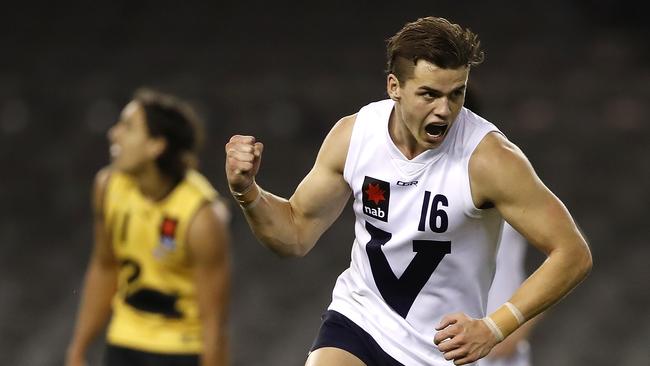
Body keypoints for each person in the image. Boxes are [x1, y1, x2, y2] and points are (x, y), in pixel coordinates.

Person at [225, 16, 592, 366]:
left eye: (456, 94)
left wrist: (495, 327)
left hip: (439, 352)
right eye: (429, 94)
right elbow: (293, 235)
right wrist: (248, 192)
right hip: (360, 321)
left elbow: (572, 253)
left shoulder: (490, 160)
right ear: (394, 87)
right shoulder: (355, 137)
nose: (444, 110)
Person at [66, 89, 230, 366]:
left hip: (180, 350)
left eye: (127, 127)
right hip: (124, 342)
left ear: (156, 145)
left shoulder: (201, 216)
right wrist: (79, 347)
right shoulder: (108, 187)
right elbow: (105, 266)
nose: (114, 134)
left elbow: (214, 319)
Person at [479, 224, 539, 366]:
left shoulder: (522, 201)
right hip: (436, 344)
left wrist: (516, 324)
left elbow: (570, 251)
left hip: (501, 353)